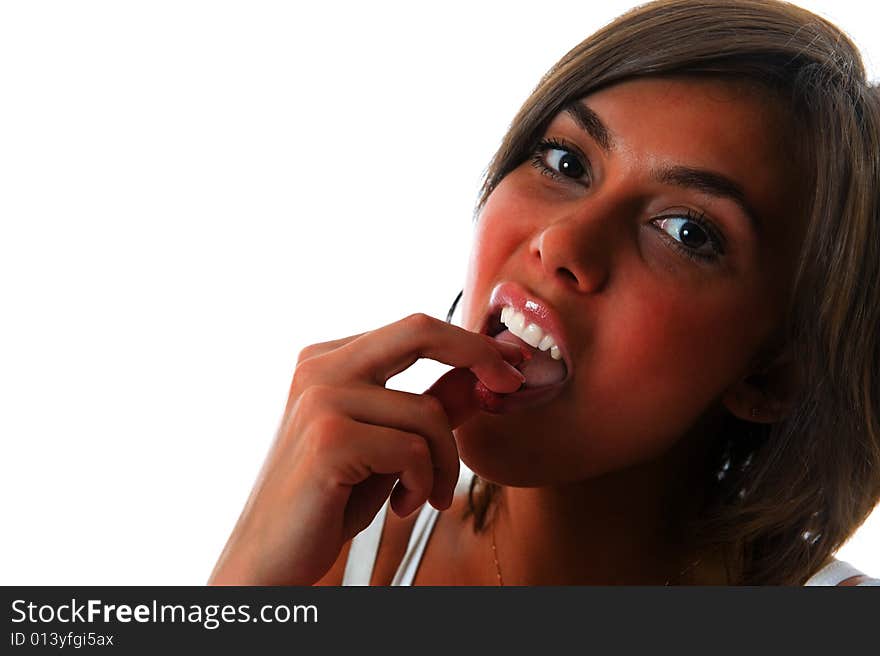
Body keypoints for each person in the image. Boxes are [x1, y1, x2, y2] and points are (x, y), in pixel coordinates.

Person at [209, 0, 880, 586]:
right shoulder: (330, 553)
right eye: (566, 161)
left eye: (687, 231)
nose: (563, 243)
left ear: (774, 374)